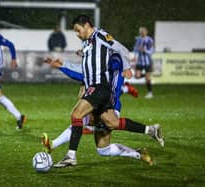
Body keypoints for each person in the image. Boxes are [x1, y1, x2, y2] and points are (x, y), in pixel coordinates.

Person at [43, 15, 164, 168]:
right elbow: (84, 71)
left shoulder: (100, 36)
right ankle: (151, 130)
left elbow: (121, 49)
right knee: (109, 130)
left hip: (99, 88)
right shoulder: (87, 44)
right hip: (98, 90)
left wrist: (126, 67)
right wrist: (62, 65)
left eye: (78, 30)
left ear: (87, 25)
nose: (77, 34)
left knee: (77, 115)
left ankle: (70, 155)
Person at [133, 26, 154, 99]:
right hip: (139, 62)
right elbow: (135, 48)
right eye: (140, 31)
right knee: (137, 76)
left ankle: (150, 92)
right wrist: (135, 56)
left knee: (147, 79)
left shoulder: (149, 40)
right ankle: (147, 76)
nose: (141, 32)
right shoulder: (138, 39)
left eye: (143, 31)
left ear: (146, 32)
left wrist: (145, 51)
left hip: (148, 62)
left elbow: (152, 50)